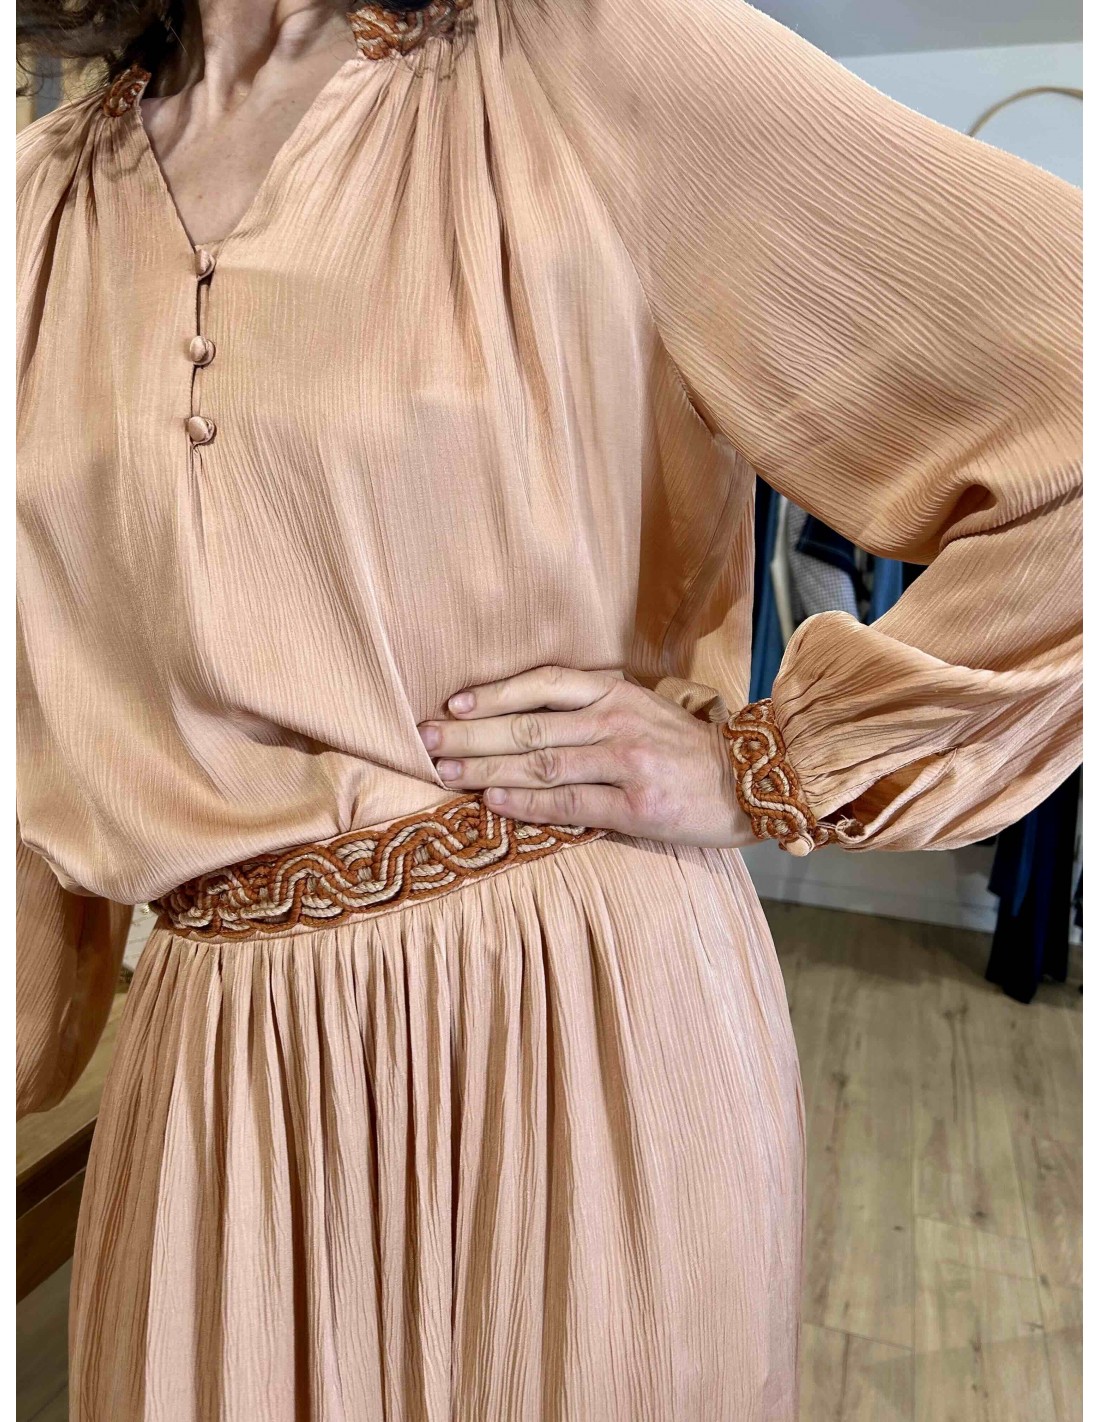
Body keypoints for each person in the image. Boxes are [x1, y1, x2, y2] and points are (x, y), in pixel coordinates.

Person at [15, 0, 1081, 1417]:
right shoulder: (41, 202)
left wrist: (773, 762)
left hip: (568, 1024)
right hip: (221, 1080)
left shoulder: (588, 55)